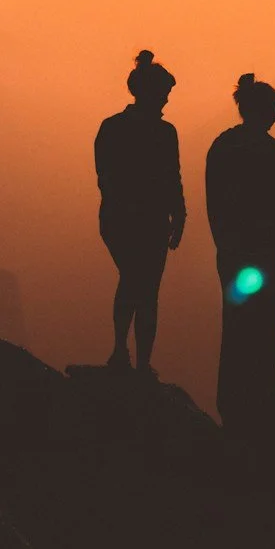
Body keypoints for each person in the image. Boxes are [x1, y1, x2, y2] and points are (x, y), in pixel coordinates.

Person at [205, 73, 275, 433]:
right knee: (266, 326)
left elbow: (214, 205)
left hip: (235, 253)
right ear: (262, 110)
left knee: (236, 325)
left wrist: (224, 246)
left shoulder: (222, 146)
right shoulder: (272, 150)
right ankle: (263, 398)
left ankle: (233, 401)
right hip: (266, 253)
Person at [94, 49, 185, 377]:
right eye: (164, 94)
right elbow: (110, 178)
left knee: (139, 284)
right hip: (134, 220)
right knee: (141, 284)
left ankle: (129, 355)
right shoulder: (153, 132)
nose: (166, 101)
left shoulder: (117, 128)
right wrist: (176, 213)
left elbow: (171, 177)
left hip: (134, 220)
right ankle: (131, 356)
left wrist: (180, 214)